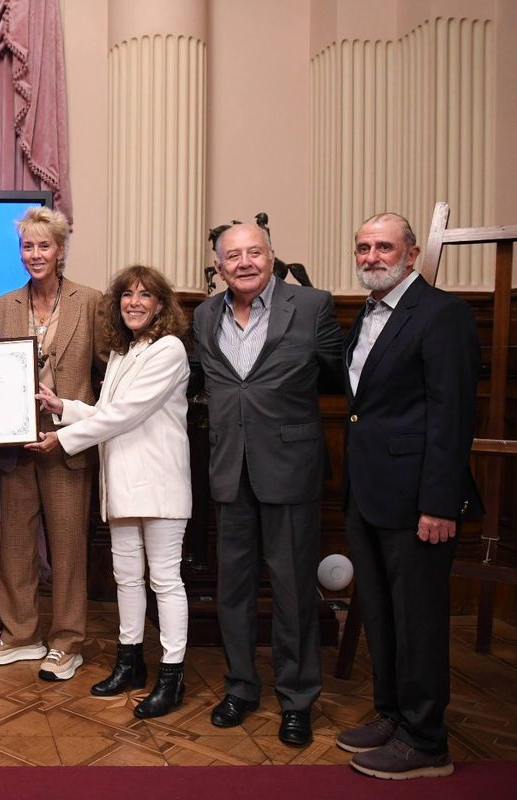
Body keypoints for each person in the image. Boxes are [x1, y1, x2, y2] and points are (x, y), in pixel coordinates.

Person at [337, 213, 481, 779]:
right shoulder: (365, 315)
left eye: (384, 247)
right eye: (363, 247)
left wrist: (440, 503)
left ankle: (426, 740)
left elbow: (452, 416)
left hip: (419, 500)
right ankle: (393, 714)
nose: (372, 256)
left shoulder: (442, 315)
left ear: (412, 254)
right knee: (380, 611)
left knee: (418, 620)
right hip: (367, 493)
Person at [192, 222, 340, 746]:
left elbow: (340, 377)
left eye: (255, 252)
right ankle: (241, 686)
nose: (245, 262)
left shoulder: (313, 304)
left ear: (272, 256)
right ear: (218, 266)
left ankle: (297, 699)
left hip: (291, 469)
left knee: (293, 590)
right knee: (231, 590)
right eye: (233, 255)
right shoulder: (204, 315)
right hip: (230, 471)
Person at [28, 265, 191, 716]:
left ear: (161, 305)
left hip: (158, 485)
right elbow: (106, 410)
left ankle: (172, 675)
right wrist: (64, 406)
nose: (133, 302)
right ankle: (131, 662)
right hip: (120, 483)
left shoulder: (169, 349)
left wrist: (62, 436)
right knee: (126, 578)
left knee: (164, 580)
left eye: (145, 296)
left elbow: (126, 415)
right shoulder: (123, 352)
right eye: (126, 295)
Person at [0, 206, 103, 682]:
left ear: (61, 250)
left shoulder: (90, 302)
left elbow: (108, 375)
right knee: (15, 547)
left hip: (67, 446)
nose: (35, 254)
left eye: (43, 245)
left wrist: (75, 429)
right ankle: (19, 635)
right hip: (15, 447)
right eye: (27, 246)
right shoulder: (3, 305)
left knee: (69, 548)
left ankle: (67, 642)